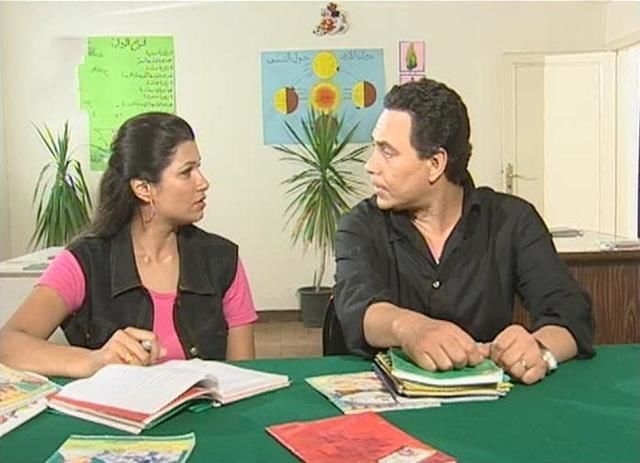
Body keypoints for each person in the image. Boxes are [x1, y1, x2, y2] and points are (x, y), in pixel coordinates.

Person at [334, 78, 594, 385]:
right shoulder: (360, 225)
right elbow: (357, 309)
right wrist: (410, 328)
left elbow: (570, 314)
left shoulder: (513, 220)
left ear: (435, 163)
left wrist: (538, 349)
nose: (370, 165)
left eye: (387, 152)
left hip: (492, 402)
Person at [0, 112, 258, 378]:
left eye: (199, 168)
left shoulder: (223, 260)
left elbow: (245, 374)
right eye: (186, 172)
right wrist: (95, 361)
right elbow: (8, 344)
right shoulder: (85, 260)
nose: (203, 182)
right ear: (143, 188)